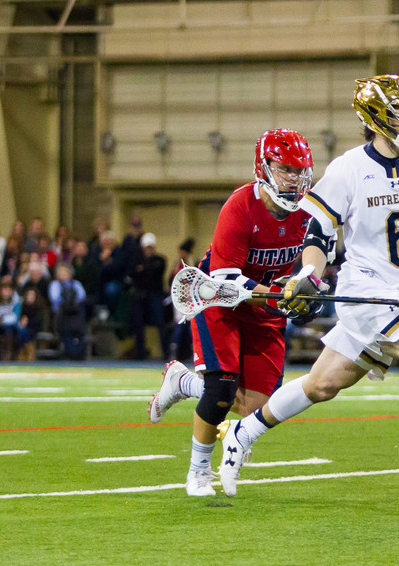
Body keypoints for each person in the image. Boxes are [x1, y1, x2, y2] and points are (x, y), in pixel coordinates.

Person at [216, 76, 399, 504]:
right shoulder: (349, 169)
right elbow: (318, 235)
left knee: (323, 384)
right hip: (366, 290)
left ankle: (245, 430)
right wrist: (309, 275)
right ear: (378, 117)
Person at [146, 128, 318, 498]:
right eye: (285, 169)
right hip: (219, 300)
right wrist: (280, 296)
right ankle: (198, 472)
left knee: (258, 407)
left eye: (299, 171)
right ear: (264, 166)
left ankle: (183, 382)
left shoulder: (308, 212)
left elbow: (312, 262)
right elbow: (227, 279)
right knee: (221, 388)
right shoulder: (240, 206)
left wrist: (309, 289)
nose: (294, 179)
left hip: (265, 308)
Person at [129, 232, 167, 360]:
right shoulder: (137, 260)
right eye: (146, 248)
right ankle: (140, 353)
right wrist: (146, 269)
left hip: (155, 294)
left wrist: (143, 269)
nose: (148, 250)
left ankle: (165, 352)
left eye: (150, 248)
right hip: (141, 295)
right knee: (138, 323)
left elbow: (155, 270)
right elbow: (133, 273)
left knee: (160, 322)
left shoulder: (160, 260)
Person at [0, 281, 22, 360]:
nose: (6, 291)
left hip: (10, 325)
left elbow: (15, 317)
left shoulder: (16, 301)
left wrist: (2, 319)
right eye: (4, 289)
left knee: (8, 328)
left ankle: (8, 352)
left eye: (8, 289)